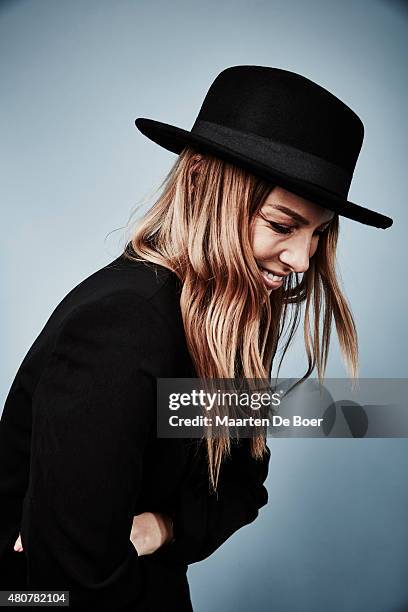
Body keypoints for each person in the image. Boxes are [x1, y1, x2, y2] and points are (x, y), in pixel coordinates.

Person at [0, 65, 393, 611]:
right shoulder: (124, 326)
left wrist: (159, 527)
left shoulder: (221, 319)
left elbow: (240, 486)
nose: (303, 259)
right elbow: (66, 582)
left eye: (318, 232)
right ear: (207, 185)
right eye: (282, 225)